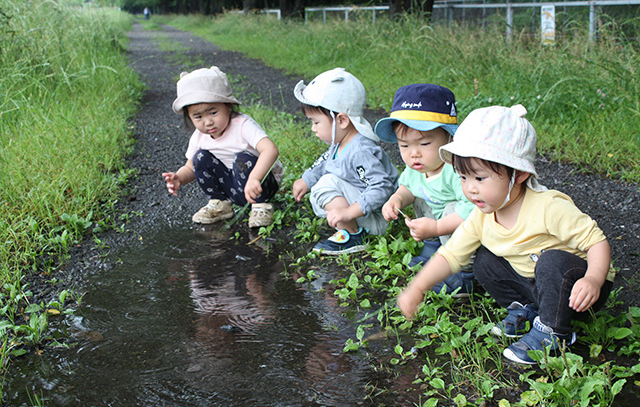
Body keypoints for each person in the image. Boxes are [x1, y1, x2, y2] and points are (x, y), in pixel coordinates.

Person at [397, 104, 615, 365]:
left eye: (480, 178)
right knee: (484, 261)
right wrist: (417, 287)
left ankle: (554, 333)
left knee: (551, 262)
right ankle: (528, 310)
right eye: (463, 177)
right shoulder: (482, 216)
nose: (470, 190)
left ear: (520, 173)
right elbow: (451, 254)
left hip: (577, 290)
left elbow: (597, 242)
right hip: (535, 284)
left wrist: (593, 278)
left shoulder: (549, 207)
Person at [376, 84, 476, 297]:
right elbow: (407, 188)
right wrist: (396, 200)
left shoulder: (456, 169)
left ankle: (465, 275)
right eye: (404, 146)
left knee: (452, 208)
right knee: (420, 199)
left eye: (425, 143)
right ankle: (433, 248)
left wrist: (438, 227)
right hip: (440, 229)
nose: (414, 154)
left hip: (466, 234)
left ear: (450, 139)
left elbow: (472, 210)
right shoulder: (418, 168)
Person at [292, 67, 398, 255]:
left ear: (342, 120)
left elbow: (381, 187)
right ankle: (349, 227)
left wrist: (349, 213)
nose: (313, 128)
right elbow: (325, 160)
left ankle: (354, 234)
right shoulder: (342, 142)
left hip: (378, 215)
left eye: (316, 122)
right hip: (363, 209)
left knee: (326, 184)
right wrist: (306, 179)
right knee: (320, 188)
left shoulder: (360, 150)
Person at [162, 66, 283, 228]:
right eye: (198, 117)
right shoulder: (199, 137)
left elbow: (270, 150)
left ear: (228, 105)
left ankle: (261, 207)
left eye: (213, 113)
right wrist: (179, 178)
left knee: (242, 159)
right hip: (233, 186)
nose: (208, 122)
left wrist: (255, 177)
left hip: (261, 183)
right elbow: (191, 167)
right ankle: (221, 203)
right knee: (200, 158)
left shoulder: (242, 125)